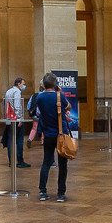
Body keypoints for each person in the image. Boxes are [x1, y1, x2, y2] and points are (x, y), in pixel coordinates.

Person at [28, 73, 70, 203]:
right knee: (62, 164)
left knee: (46, 162)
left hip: (48, 134)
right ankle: (61, 194)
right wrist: (60, 93)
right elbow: (68, 107)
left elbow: (38, 113)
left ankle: (42, 192)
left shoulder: (40, 97)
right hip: (61, 134)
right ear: (55, 84)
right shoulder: (60, 96)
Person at [2, 77, 29, 167]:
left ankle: (11, 161)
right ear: (18, 84)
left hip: (9, 118)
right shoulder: (17, 92)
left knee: (10, 140)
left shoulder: (8, 91)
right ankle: (20, 160)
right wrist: (19, 118)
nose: (24, 86)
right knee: (20, 140)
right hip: (16, 119)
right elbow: (17, 106)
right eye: (23, 84)